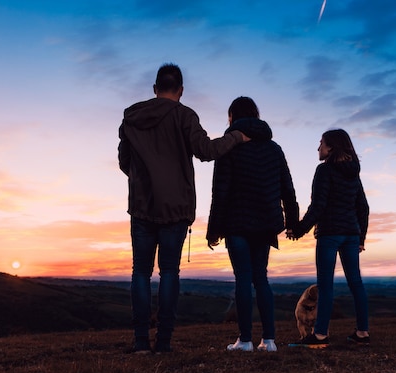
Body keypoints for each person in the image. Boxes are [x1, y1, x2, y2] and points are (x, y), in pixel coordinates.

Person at [118, 64, 268, 353]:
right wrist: (237, 137)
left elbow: (125, 162)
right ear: (181, 90)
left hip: (141, 206)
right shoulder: (185, 116)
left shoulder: (131, 119)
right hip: (176, 207)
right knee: (169, 273)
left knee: (140, 273)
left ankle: (140, 342)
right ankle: (163, 342)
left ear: (154, 88)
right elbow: (207, 151)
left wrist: (144, 179)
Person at [206, 96, 299, 352]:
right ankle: (269, 341)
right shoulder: (274, 148)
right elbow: (287, 189)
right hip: (266, 223)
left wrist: (213, 230)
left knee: (243, 279)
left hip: (237, 223)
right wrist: (292, 222)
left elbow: (220, 192)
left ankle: (245, 340)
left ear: (232, 117)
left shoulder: (229, 147)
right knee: (261, 279)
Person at [288, 128, 370, 349]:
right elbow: (363, 207)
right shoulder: (353, 172)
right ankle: (363, 332)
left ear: (331, 147)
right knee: (356, 282)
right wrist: (361, 236)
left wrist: (298, 230)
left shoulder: (324, 171)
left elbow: (318, 206)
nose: (318, 147)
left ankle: (320, 336)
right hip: (351, 234)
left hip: (330, 233)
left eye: (321, 143)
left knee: (325, 285)